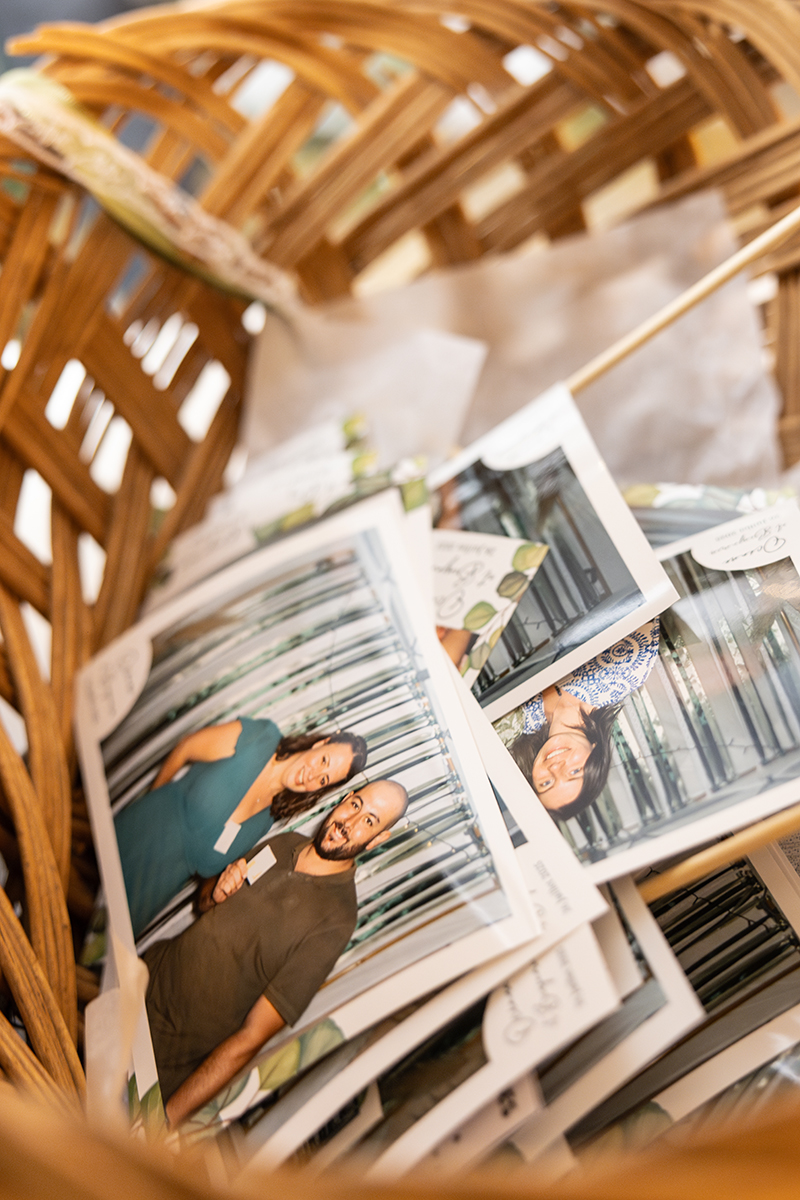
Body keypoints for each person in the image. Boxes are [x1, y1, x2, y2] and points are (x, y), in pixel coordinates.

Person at [142, 779, 409, 1127]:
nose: (350, 822)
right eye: (356, 805)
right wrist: (216, 891)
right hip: (144, 980)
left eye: (370, 821)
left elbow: (251, 1039)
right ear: (345, 799)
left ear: (377, 839)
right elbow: (206, 902)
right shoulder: (285, 844)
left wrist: (163, 1121)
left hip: (165, 1054)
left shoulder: (337, 921)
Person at [114, 717, 367, 937]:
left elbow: (207, 886)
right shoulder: (262, 737)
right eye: (323, 760)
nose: (312, 776)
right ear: (320, 744)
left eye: (323, 780)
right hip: (134, 839)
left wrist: (219, 894)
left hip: (147, 896)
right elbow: (186, 748)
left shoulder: (267, 818)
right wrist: (151, 801)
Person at [505, 620, 660, 821]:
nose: (555, 768)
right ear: (596, 753)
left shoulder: (519, 722)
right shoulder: (625, 671)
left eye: (546, 783)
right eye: (574, 771)